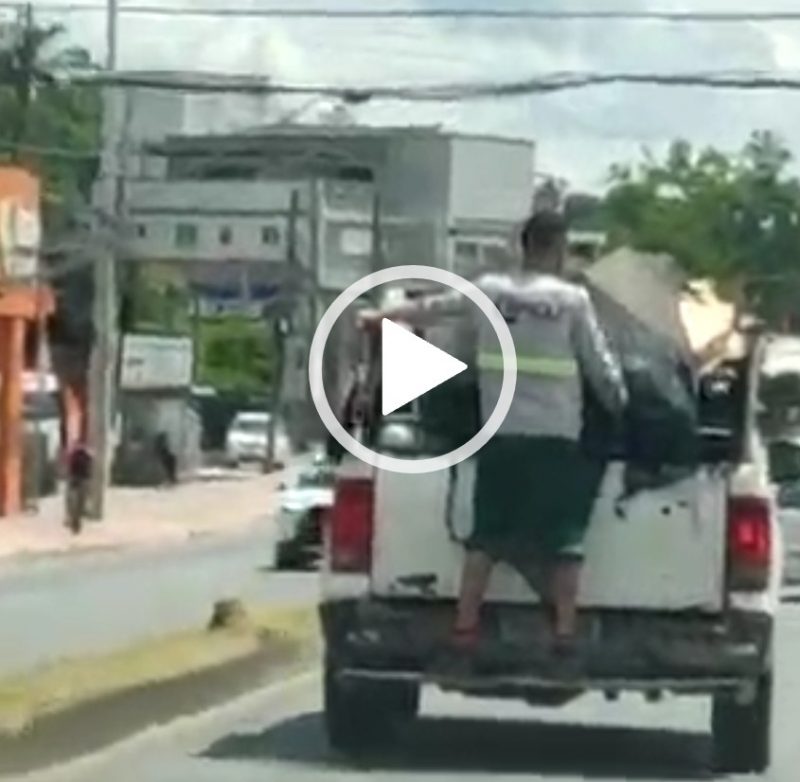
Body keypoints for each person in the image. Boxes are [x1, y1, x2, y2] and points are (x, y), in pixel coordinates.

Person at [359, 211, 627, 663]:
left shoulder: (491, 291)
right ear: (559, 249)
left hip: (502, 435)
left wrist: (378, 317)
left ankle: (465, 627)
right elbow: (600, 366)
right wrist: (619, 403)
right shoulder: (572, 301)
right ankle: (564, 633)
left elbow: (434, 307)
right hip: (557, 439)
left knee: (486, 536)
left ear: (524, 246)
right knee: (564, 540)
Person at [65, 441, 93, 534]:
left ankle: (71, 519)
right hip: (81, 480)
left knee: (73, 501)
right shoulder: (86, 455)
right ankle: (74, 520)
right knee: (79, 502)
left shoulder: (75, 454)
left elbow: (70, 465)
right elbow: (89, 467)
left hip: (76, 479)